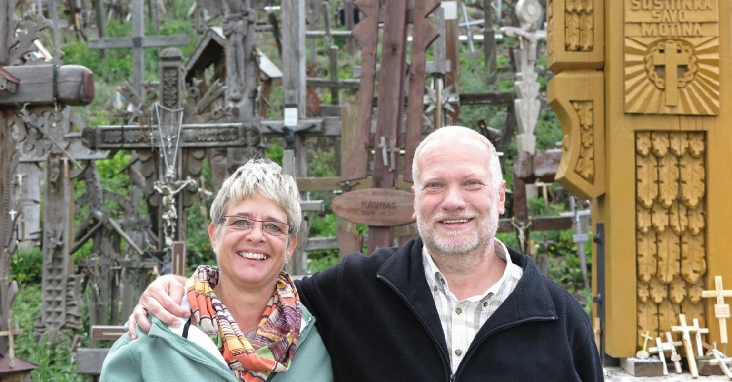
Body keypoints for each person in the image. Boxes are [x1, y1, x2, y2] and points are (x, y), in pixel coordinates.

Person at [129, 126, 604, 381]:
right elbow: (255, 288)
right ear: (415, 201)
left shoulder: (560, 319)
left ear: (500, 197)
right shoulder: (357, 290)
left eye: (472, 184)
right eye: (435, 186)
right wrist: (177, 290)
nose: (453, 201)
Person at [102, 159, 333, 382]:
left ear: (290, 246)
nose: (256, 236)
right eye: (241, 222)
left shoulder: (316, 340)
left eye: (273, 226)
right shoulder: (154, 333)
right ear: (214, 235)